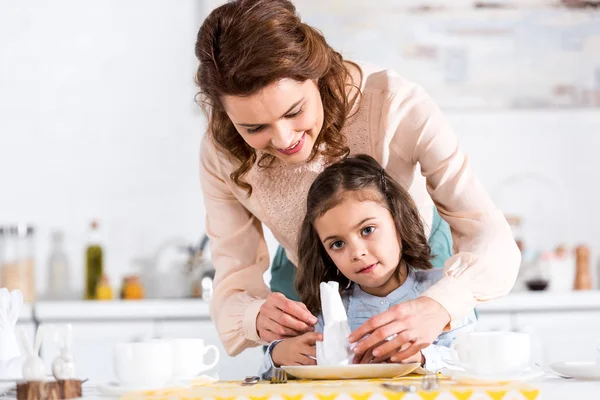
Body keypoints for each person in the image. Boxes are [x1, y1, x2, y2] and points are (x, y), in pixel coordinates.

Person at [196, 0, 520, 361]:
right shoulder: (220, 151)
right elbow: (233, 273)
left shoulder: (396, 102)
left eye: (295, 111)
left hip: (418, 259)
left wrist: (439, 304)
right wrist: (255, 317)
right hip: (307, 268)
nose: (284, 139)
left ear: (316, 75)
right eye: (254, 128)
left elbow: (490, 235)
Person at [259, 155, 476, 377]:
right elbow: (270, 379)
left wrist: (422, 357)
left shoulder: (444, 292)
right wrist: (277, 355)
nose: (357, 253)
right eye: (338, 244)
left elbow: (470, 362)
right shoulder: (328, 310)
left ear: (398, 221)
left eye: (367, 230)